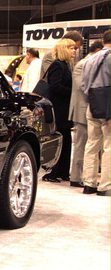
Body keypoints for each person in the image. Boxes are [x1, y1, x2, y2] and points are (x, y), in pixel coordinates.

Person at [69, 40, 104, 188]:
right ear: (98, 50)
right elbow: (82, 87)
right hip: (82, 110)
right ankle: (76, 177)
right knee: (81, 145)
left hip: (91, 108)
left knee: (89, 145)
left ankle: (85, 176)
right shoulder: (82, 64)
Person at [41, 38, 77, 183]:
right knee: (60, 139)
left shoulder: (65, 65)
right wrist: (72, 92)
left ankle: (63, 171)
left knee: (66, 139)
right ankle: (53, 172)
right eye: (71, 48)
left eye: (74, 48)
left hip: (64, 108)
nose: (74, 51)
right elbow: (55, 86)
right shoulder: (57, 65)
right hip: (58, 108)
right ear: (63, 50)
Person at [81, 30, 111, 196]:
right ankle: (105, 186)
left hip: (92, 105)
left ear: (103, 41)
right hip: (108, 107)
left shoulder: (90, 59)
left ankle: (89, 183)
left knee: (91, 144)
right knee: (109, 146)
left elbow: (84, 86)